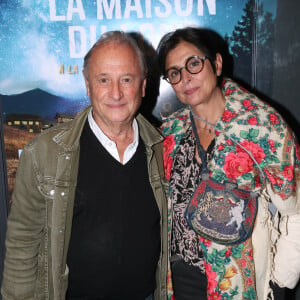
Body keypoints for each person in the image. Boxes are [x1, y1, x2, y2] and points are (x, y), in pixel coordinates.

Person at [1, 31, 168, 300]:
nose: (116, 92)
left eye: (126, 79)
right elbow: (22, 244)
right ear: (88, 86)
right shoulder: (43, 153)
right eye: (104, 80)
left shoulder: (163, 149)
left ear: (144, 85)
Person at [157, 27, 300, 300]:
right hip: (179, 282)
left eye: (194, 64)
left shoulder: (262, 128)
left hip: (238, 287)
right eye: (175, 73)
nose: (186, 77)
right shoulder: (169, 134)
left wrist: (281, 280)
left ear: (217, 63)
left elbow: (297, 210)